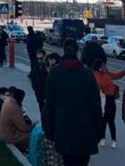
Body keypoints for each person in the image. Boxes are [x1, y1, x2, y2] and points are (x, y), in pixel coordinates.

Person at [41, 38, 101, 166]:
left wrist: (49, 131)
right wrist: (99, 131)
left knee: (67, 161)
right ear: (77, 52)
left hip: (63, 130)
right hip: (85, 130)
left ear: (63, 51)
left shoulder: (55, 73)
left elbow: (49, 105)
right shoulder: (87, 74)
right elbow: (96, 105)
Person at [93, 59, 125, 148]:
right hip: (103, 98)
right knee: (103, 120)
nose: (105, 68)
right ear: (99, 68)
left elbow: (114, 75)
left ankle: (113, 139)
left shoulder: (106, 73)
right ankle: (102, 138)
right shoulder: (96, 74)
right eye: (103, 66)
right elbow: (101, 84)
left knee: (111, 120)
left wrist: (122, 73)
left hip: (110, 99)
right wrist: (105, 75)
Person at [0, 87, 34, 152]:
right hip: (9, 136)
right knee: (35, 136)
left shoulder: (7, 103)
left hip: (4, 133)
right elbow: (24, 128)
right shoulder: (14, 107)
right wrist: (34, 125)